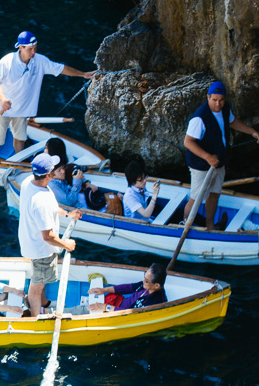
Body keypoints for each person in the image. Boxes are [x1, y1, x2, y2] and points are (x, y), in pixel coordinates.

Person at [0, 31, 96, 158]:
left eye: (35, 48)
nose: (33, 52)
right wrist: (2, 99)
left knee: (20, 138)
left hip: (22, 109)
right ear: (21, 47)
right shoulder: (6, 61)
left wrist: (83, 74)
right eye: (30, 49)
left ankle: (18, 163)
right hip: (3, 108)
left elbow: (61, 68)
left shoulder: (40, 61)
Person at [183, 81, 259, 230]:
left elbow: (233, 122)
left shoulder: (224, 110)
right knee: (196, 197)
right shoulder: (199, 118)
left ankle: (210, 226)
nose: (218, 104)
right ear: (208, 97)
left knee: (214, 194)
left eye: (221, 100)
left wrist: (253, 132)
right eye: (214, 100)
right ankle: (185, 225)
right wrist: (207, 157)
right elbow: (188, 142)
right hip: (201, 165)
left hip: (219, 162)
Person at [18, 153, 82, 317]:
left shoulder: (28, 183)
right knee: (37, 285)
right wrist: (66, 244)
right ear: (48, 175)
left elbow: (52, 209)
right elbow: (48, 236)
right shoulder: (41, 202)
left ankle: (44, 302)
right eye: (53, 168)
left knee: (41, 279)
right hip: (41, 250)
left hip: (31, 242)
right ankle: (34, 318)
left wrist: (68, 214)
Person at [65, 263, 168, 315]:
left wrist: (105, 307)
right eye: (144, 277)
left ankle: (50, 311)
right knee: (87, 306)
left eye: (146, 280)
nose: (143, 281)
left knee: (84, 309)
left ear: (157, 286)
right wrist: (105, 290)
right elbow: (129, 287)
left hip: (118, 312)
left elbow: (131, 313)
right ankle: (50, 308)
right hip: (117, 303)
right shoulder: (146, 284)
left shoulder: (155, 302)